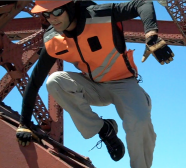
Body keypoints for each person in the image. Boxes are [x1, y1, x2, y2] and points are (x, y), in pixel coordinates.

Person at [16, 1, 174, 168]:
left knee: (139, 121)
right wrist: (24, 124)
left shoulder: (99, 15)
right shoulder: (53, 40)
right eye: (46, 14)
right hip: (93, 86)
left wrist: (151, 35)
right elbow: (34, 82)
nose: (52, 19)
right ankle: (104, 129)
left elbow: (142, 3)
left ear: (70, 8)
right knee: (54, 81)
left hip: (124, 83)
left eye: (57, 12)